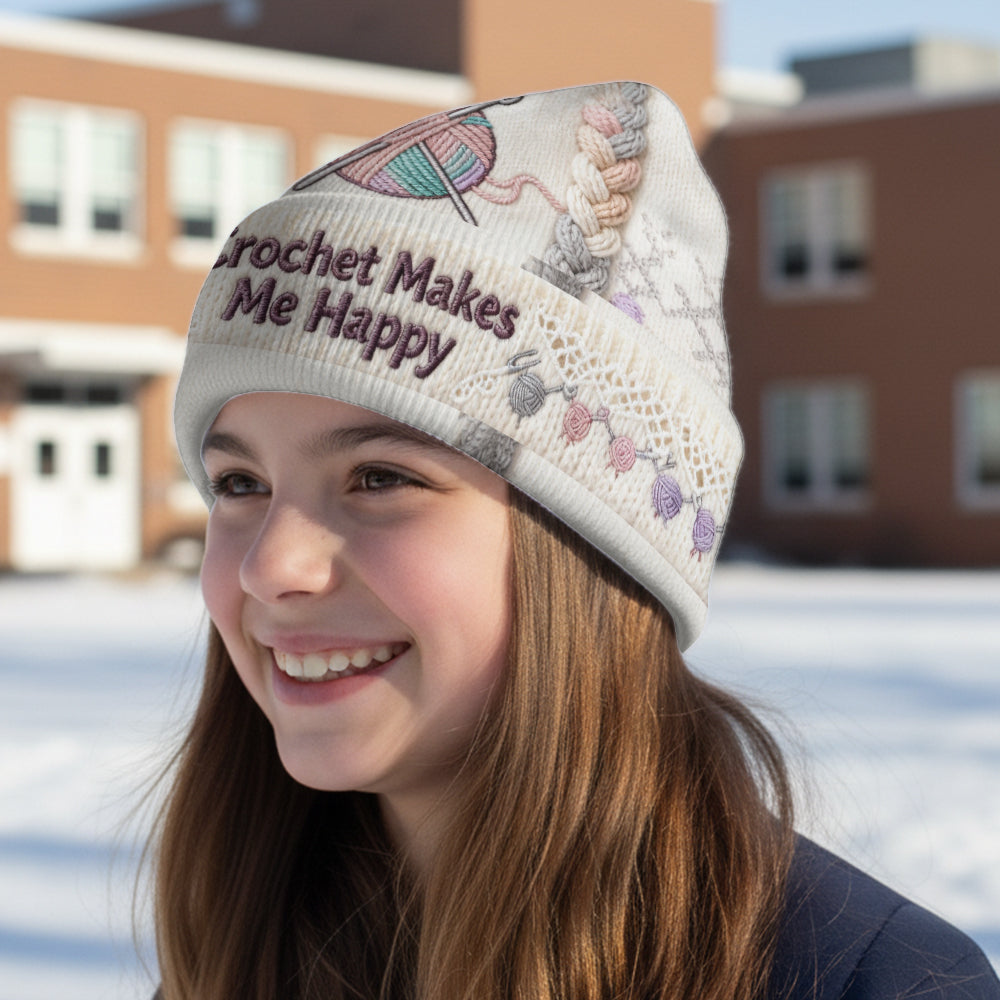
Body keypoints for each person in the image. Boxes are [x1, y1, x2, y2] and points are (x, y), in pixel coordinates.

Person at [158, 82, 999, 999]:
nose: (271, 565)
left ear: (596, 545)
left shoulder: (875, 984)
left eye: (381, 478)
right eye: (239, 484)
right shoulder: (243, 948)